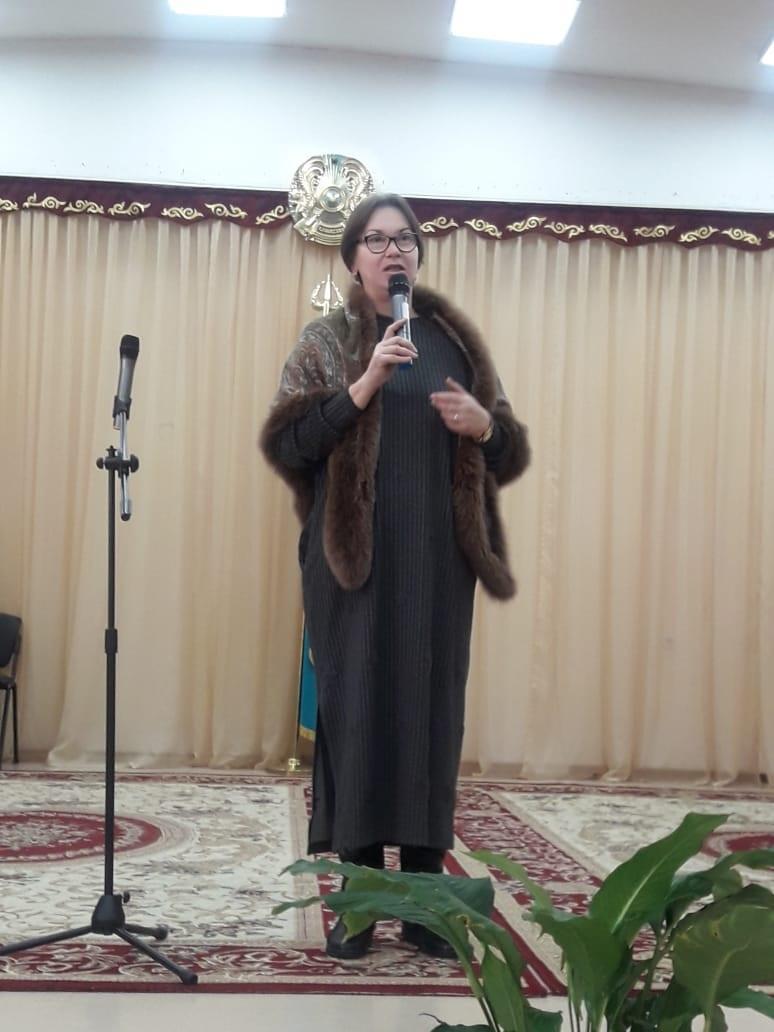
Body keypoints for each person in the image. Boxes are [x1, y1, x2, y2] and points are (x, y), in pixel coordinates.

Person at [260, 193, 530, 960]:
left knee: (428, 721)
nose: (393, 252)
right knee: (357, 719)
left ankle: (425, 908)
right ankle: (358, 906)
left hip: (439, 568)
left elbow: (508, 449)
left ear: (418, 254)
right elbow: (288, 445)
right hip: (352, 567)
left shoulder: (456, 343)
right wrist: (364, 385)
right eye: (376, 240)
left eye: (404, 239)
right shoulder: (328, 341)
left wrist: (486, 426)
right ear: (353, 259)